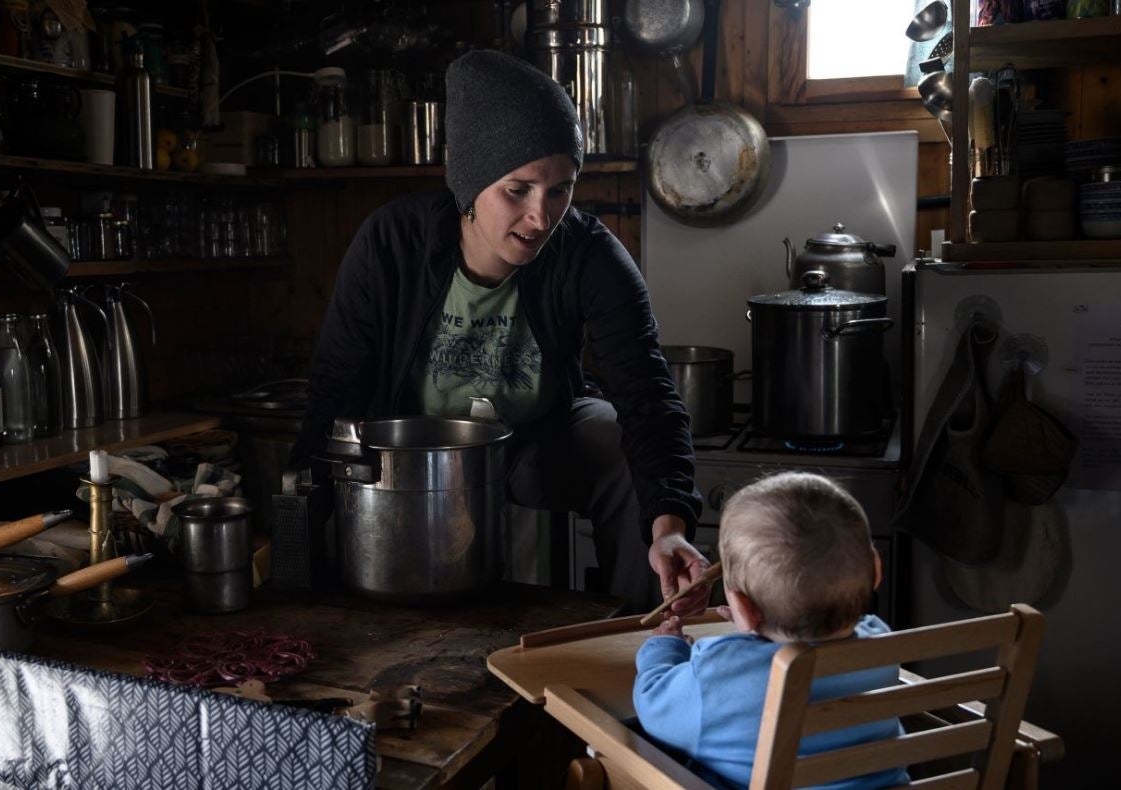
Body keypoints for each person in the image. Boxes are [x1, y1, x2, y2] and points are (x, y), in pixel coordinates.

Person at [290, 49, 707, 614]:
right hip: (415, 454)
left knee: (614, 440)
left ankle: (641, 635)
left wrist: (669, 523)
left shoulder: (591, 256)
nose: (542, 216)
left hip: (537, 437)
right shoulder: (391, 243)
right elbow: (335, 389)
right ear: (470, 182)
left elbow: (647, 396)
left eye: (560, 189)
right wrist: (297, 536)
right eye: (519, 189)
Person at [633, 472, 910, 789]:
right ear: (875, 572)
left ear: (744, 607)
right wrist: (752, 627)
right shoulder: (881, 645)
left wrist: (666, 648)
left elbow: (653, 705)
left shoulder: (724, 673)